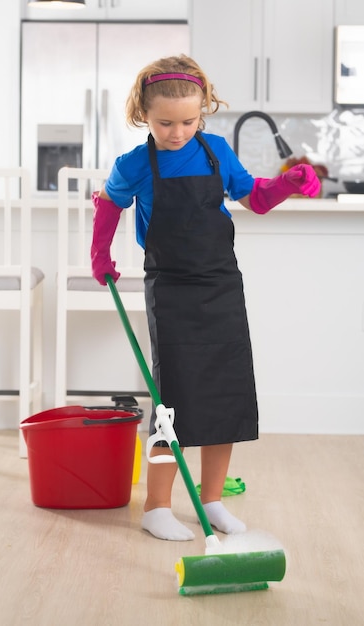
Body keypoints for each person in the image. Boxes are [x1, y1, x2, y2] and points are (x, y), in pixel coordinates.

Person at [91, 55, 320, 541]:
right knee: (170, 401)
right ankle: (156, 506)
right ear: (143, 115)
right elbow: (109, 203)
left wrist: (290, 183)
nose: (177, 133)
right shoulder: (135, 164)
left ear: (205, 112)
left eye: (188, 122)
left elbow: (254, 198)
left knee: (225, 396)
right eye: (164, 123)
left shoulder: (215, 152)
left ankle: (211, 501)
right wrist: (100, 255)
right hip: (170, 288)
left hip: (220, 283)